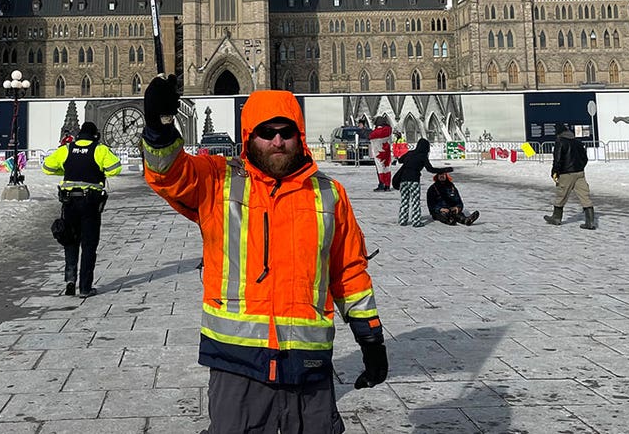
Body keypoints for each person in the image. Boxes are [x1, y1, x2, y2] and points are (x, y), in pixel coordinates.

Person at [141, 75, 388, 434]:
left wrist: (370, 338)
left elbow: (348, 271)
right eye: (266, 131)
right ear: (248, 137)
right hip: (238, 366)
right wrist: (160, 127)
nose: (277, 140)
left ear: (299, 135)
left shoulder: (329, 195)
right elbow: (169, 174)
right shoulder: (218, 182)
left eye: (285, 131)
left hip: (309, 368)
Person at [41, 121, 123, 297]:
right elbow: (116, 168)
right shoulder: (99, 149)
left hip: (69, 202)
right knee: (88, 245)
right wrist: (99, 171)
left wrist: (65, 170)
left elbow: (47, 167)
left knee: (70, 241)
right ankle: (85, 287)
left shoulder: (67, 149)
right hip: (90, 203)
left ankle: (70, 280)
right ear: (95, 135)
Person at [545, 123, 596, 230]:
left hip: (566, 173)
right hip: (579, 173)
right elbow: (584, 158)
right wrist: (580, 167)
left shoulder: (560, 142)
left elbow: (558, 159)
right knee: (584, 196)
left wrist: (555, 171)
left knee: (561, 195)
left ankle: (556, 217)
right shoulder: (577, 142)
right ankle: (590, 222)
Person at [391, 138, 452, 226]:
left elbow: (400, 160)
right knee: (415, 201)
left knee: (404, 200)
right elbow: (430, 169)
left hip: (403, 180)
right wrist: (445, 169)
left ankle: (402, 220)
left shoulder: (410, 153)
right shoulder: (423, 156)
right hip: (414, 180)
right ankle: (416, 221)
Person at [368, 116, 394, 191]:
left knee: (380, 168)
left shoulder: (375, 133)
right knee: (387, 168)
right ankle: (387, 186)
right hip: (386, 153)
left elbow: (370, 136)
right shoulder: (389, 130)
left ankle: (381, 184)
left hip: (378, 153)